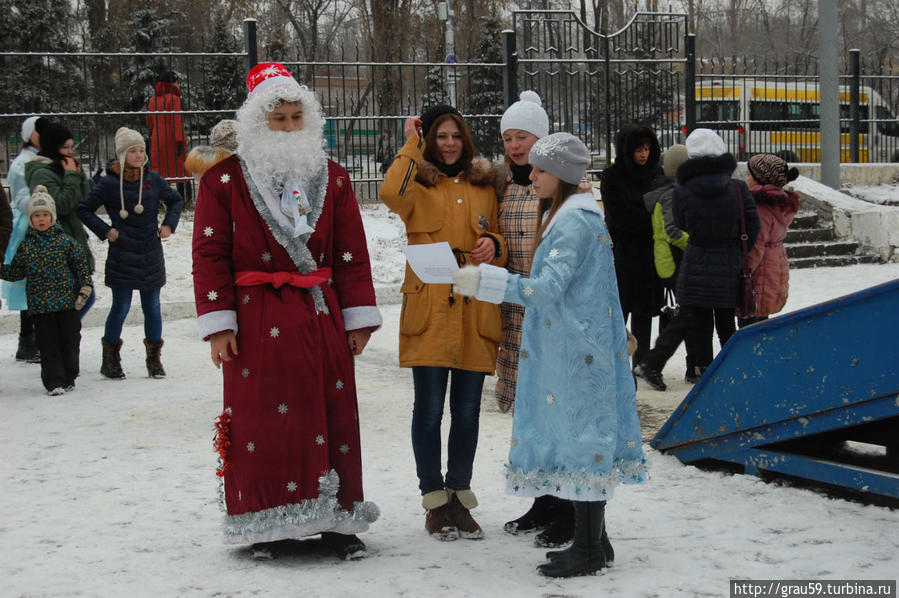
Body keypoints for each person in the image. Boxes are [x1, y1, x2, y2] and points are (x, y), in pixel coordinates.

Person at [191, 62, 382, 560]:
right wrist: (218, 325)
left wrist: (357, 318)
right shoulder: (223, 183)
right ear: (258, 122)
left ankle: (338, 522)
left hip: (320, 317)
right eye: (279, 118)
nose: (290, 126)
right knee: (263, 422)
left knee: (332, 414)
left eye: (298, 117)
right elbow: (208, 254)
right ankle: (266, 523)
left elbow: (351, 253)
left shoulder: (334, 179)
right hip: (256, 322)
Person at [452, 132, 647, 578]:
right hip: (572, 343)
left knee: (583, 440)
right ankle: (596, 541)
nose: (531, 176)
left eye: (540, 170)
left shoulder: (575, 222)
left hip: (578, 350)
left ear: (559, 175)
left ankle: (588, 549)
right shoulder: (564, 214)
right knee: (577, 436)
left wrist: (486, 282)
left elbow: (548, 288)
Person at [379, 104, 508, 541]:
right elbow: (389, 193)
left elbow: (501, 235)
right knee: (430, 409)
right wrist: (411, 143)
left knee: (469, 410)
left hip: (474, 308)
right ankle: (433, 499)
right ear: (429, 141)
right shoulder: (415, 182)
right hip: (430, 309)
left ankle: (459, 495)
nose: (449, 143)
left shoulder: (485, 185)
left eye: (455, 135)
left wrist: (493, 244)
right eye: (440, 136)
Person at [493, 90, 573, 548]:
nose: (515, 145)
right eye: (507, 137)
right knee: (530, 417)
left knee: (556, 412)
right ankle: (542, 499)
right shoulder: (500, 185)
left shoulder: (564, 188)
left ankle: (566, 506)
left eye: (522, 136)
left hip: (551, 312)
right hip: (513, 310)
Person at [78, 127, 183, 379]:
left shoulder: (154, 180)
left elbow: (176, 200)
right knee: (121, 306)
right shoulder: (109, 183)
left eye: (141, 151)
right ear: (122, 155)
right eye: (133, 151)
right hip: (122, 255)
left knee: (153, 307)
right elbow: (84, 209)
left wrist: (169, 224)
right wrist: (105, 231)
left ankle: (154, 360)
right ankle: (110, 359)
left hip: (149, 253)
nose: (139, 155)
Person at [672, 129, 760, 378]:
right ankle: (733, 370)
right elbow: (753, 226)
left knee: (700, 325)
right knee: (726, 323)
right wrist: (736, 250)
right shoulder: (739, 188)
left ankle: (704, 373)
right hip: (730, 264)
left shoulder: (683, 191)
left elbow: (680, 222)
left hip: (696, 263)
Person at [1, 186, 92, 395]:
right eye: (36, 216)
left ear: (52, 216)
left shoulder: (66, 242)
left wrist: (84, 288)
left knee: (70, 341)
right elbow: (15, 272)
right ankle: (54, 382)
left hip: (67, 303)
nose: (41, 219)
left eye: (45, 215)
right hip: (41, 306)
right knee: (47, 344)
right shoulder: (26, 246)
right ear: (31, 219)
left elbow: (80, 267)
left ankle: (70, 375)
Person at [600, 124, 665, 368]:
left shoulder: (655, 174)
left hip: (651, 255)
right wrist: (649, 218)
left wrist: (648, 217)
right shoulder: (613, 176)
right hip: (624, 256)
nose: (644, 155)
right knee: (619, 312)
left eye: (647, 149)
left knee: (645, 313)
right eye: (639, 149)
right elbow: (620, 216)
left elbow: (664, 210)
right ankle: (613, 361)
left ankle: (642, 361)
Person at [632, 144, 696, 390]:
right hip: (672, 260)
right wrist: (696, 243)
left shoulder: (667, 190)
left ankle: (659, 363)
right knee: (687, 314)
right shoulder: (671, 194)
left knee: (684, 313)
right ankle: (653, 363)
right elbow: (671, 230)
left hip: (668, 259)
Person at [24, 120, 95, 318]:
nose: (70, 152)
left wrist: (79, 175)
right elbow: (60, 205)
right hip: (55, 246)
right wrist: (72, 176)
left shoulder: (62, 168)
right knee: (75, 301)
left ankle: (64, 338)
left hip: (72, 239)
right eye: (65, 147)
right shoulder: (41, 173)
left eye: (72, 147)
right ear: (52, 147)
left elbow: (85, 201)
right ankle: (58, 340)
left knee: (84, 296)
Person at [738, 154, 800, 328]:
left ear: (760, 178)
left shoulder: (760, 206)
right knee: (761, 324)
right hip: (773, 268)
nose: (746, 178)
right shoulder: (779, 204)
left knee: (749, 326)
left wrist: (743, 272)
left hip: (759, 273)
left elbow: (755, 245)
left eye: (749, 174)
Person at [4, 116, 46, 362]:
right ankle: (27, 339)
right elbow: (20, 197)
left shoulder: (46, 157)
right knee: (28, 281)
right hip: (27, 224)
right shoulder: (22, 163)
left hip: (45, 221)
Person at [147, 70, 190, 201]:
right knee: (182, 171)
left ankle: (159, 200)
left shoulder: (152, 100)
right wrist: (180, 141)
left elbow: (150, 122)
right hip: (172, 138)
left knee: (160, 171)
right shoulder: (174, 99)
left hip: (157, 138)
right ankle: (184, 200)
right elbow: (177, 121)